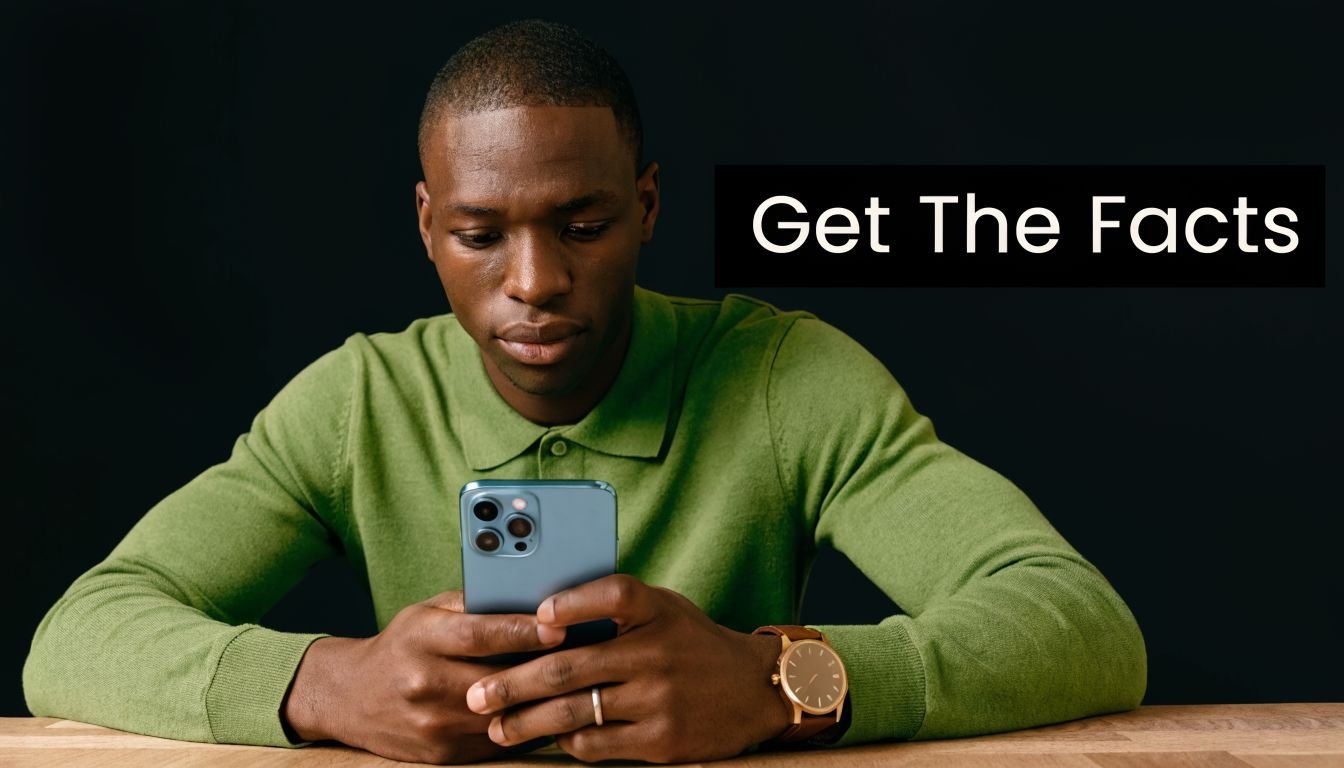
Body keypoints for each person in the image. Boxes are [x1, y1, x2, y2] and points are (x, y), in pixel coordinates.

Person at [22, 19, 1147, 765]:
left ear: (646, 207)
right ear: (426, 225)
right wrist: (325, 684)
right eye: (479, 235)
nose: (535, 282)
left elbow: (1080, 622)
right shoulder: (360, 402)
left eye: (584, 225)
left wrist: (779, 682)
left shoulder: (783, 377)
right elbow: (79, 634)